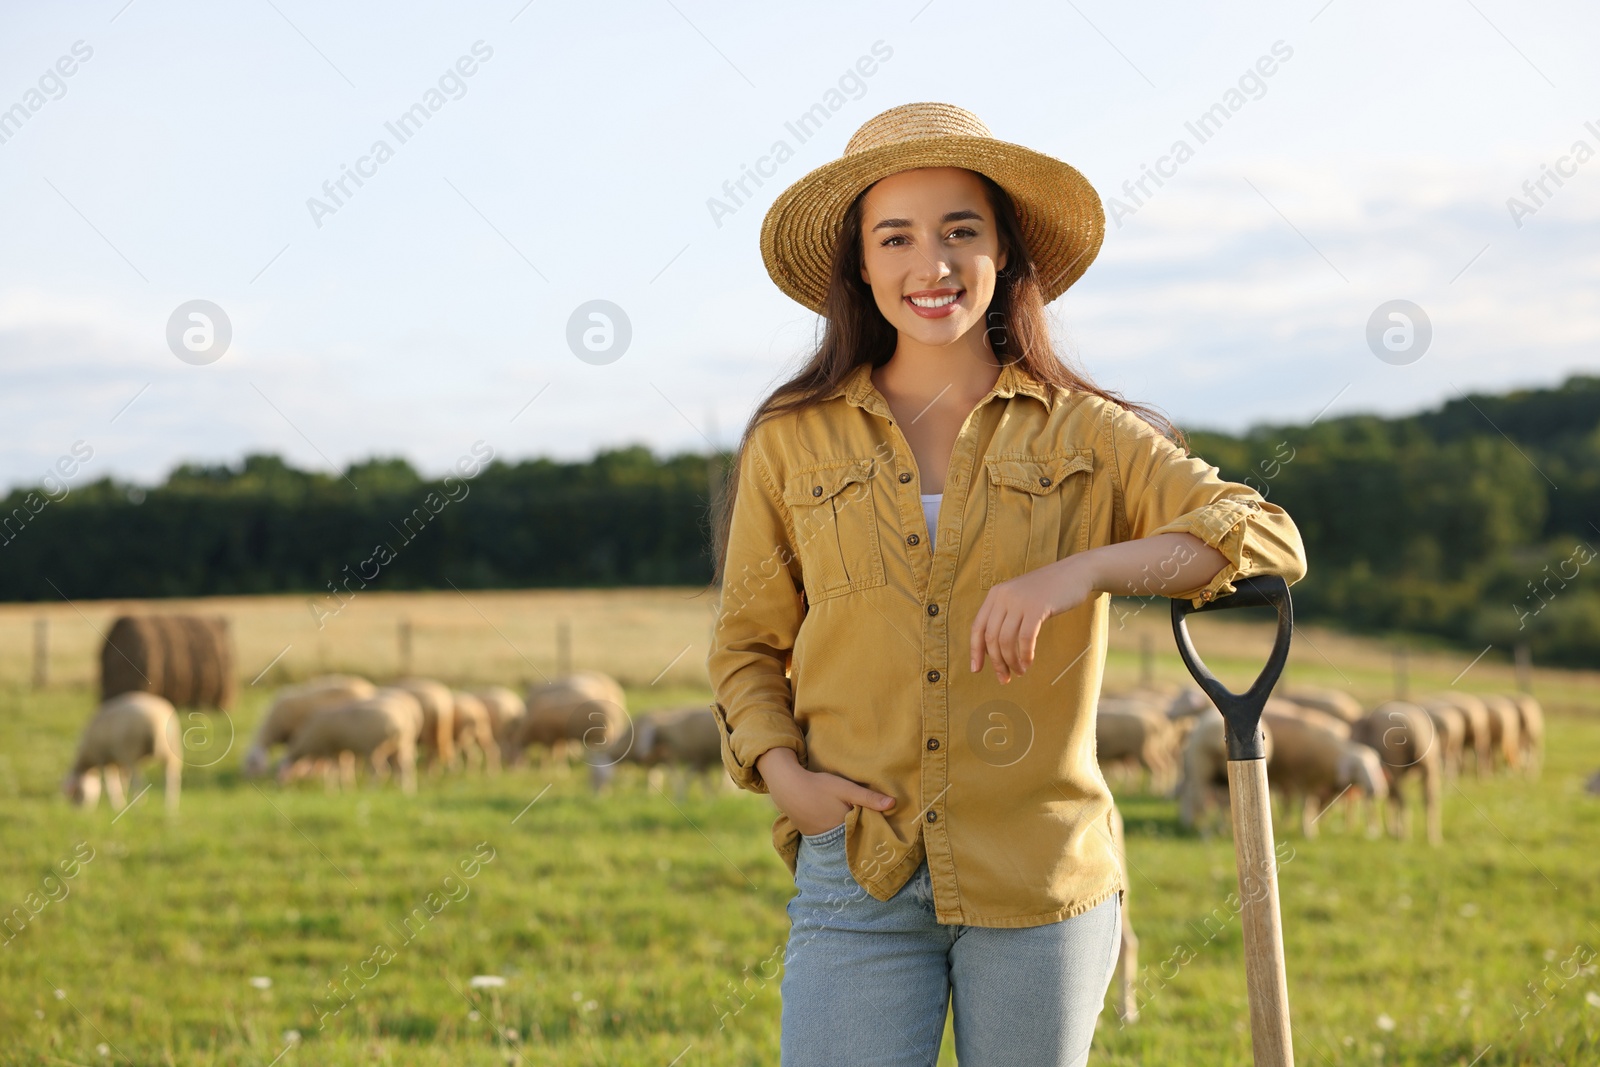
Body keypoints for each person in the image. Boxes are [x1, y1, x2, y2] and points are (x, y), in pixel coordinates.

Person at [706, 101, 1308, 1067]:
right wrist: (787, 777)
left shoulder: (1087, 432)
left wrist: (1083, 570)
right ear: (860, 264)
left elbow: (1262, 537)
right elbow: (745, 647)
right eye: (894, 236)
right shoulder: (792, 440)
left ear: (1004, 253)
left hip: (1041, 880)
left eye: (960, 232)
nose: (929, 265)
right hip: (859, 868)